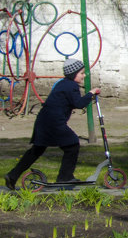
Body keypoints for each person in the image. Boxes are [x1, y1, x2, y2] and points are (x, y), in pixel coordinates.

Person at [4, 59, 100, 189]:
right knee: (72, 145)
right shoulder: (71, 86)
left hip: (44, 120)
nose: (84, 75)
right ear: (73, 73)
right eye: (81, 73)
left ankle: (13, 175)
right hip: (54, 123)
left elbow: (69, 102)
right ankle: (65, 177)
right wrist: (91, 94)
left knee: (37, 150)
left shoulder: (62, 84)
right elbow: (78, 103)